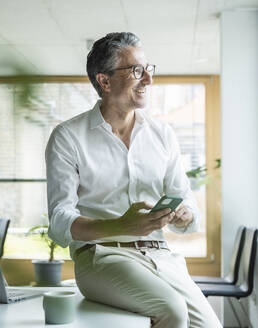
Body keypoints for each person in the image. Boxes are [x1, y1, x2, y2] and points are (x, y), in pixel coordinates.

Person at [45, 32, 222, 328]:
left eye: (148, 69)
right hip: (101, 257)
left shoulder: (162, 134)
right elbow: (60, 221)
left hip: (161, 257)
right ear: (105, 81)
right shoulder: (68, 137)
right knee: (172, 311)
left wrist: (182, 214)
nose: (148, 80)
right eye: (137, 71)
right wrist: (120, 226)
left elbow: (187, 202)